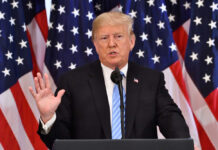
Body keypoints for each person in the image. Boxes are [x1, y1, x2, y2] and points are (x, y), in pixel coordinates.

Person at [29, 12, 190, 149]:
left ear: (131, 41)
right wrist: (48, 117)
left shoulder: (151, 80)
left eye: (118, 36)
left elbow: (171, 119)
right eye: (104, 38)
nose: (111, 44)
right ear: (95, 44)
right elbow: (58, 143)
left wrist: (184, 145)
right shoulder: (72, 82)